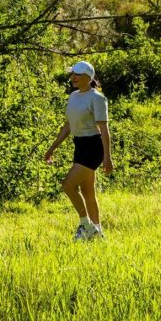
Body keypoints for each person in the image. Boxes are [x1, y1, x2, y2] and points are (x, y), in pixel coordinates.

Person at [42, 60, 113, 241]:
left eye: (77, 75)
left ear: (88, 78)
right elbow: (67, 126)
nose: (72, 78)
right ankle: (97, 232)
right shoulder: (73, 96)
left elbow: (104, 130)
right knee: (88, 192)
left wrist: (107, 158)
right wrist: (51, 149)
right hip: (79, 145)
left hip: (93, 148)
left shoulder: (97, 98)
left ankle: (86, 225)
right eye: (72, 74)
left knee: (67, 185)